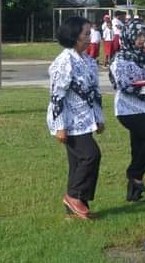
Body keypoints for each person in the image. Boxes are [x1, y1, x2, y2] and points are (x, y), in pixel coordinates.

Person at [47, 16, 105, 219]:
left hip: (85, 119)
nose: (90, 38)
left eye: (90, 33)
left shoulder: (88, 61)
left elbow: (95, 93)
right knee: (91, 155)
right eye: (86, 34)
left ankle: (73, 211)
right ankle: (73, 195)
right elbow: (56, 97)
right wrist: (60, 126)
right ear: (74, 36)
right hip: (70, 121)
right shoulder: (64, 62)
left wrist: (98, 118)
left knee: (77, 163)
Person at [109, 18, 145, 202]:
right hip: (127, 109)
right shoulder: (121, 58)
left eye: (144, 35)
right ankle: (134, 173)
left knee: (138, 148)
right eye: (138, 35)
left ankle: (133, 194)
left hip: (144, 106)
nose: (141, 39)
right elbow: (124, 86)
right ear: (129, 35)